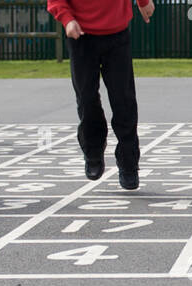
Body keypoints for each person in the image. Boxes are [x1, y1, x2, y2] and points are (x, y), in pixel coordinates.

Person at [47, 0, 155, 190]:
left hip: (117, 34)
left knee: (124, 100)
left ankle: (128, 164)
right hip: (80, 34)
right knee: (87, 100)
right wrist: (66, 19)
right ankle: (93, 152)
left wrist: (143, 2)